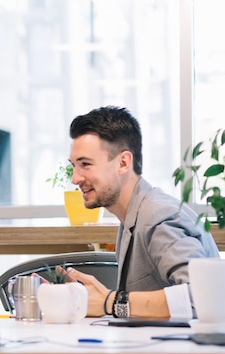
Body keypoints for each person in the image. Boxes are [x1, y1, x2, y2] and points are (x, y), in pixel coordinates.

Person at [63, 105, 220, 318]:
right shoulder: (133, 216)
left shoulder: (158, 216)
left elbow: (201, 299)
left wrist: (110, 302)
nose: (75, 178)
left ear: (123, 162)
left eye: (85, 164)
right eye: (74, 166)